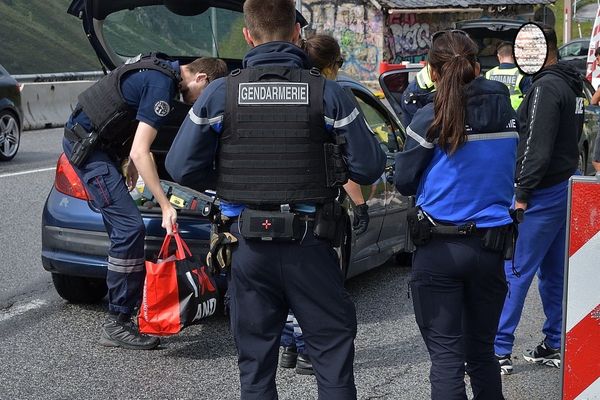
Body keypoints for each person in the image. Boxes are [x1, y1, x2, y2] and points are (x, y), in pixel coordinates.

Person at [165, 0, 386, 397]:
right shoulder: (328, 94)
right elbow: (369, 167)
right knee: (331, 359)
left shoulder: (219, 93)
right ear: (297, 34)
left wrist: (228, 181)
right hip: (311, 245)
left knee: (255, 368)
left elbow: (180, 167)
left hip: (247, 247)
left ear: (248, 35)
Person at [62, 55, 228, 350]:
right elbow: (142, 151)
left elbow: (125, 117)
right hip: (89, 150)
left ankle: (125, 299)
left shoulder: (160, 70)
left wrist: (127, 157)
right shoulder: (161, 86)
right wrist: (166, 205)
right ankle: (118, 322)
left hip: (101, 144)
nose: (196, 104)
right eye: (204, 96)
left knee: (122, 230)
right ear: (200, 78)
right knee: (129, 228)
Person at [394, 30, 518, 400]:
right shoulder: (506, 111)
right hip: (491, 247)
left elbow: (403, 181)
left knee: (447, 359)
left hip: (439, 249)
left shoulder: (429, 117)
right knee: (482, 354)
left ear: (432, 72)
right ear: (478, 67)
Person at [278, 33, 371, 376]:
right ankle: (306, 352)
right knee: (315, 289)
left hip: (268, 209)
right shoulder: (329, 96)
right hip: (313, 214)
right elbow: (344, 164)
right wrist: (359, 206)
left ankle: (288, 347)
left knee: (284, 285)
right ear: (332, 66)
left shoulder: (283, 93)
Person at [494, 26, 585, 374]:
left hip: (541, 192)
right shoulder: (571, 83)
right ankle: (555, 342)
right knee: (553, 272)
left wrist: (521, 192)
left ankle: (498, 349)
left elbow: (535, 147)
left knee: (515, 269)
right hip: (565, 186)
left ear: (544, 50)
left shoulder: (545, 88)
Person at [485, 41, 531, 109]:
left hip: (493, 115)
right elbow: (528, 101)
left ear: (498, 56)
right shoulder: (522, 74)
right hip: (515, 116)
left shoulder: (489, 74)